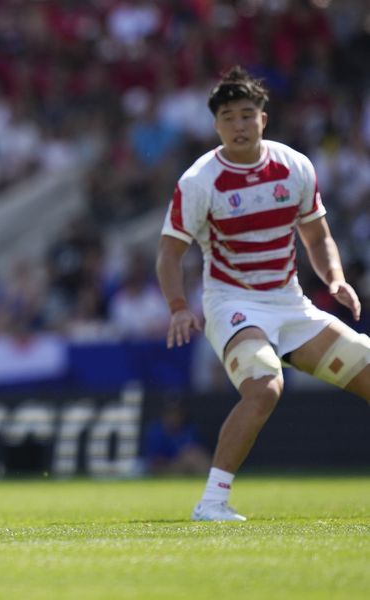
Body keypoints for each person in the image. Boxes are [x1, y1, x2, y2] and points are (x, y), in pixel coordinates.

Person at [156, 66, 370, 521]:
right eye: (229, 117)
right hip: (232, 303)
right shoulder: (200, 181)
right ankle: (212, 502)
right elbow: (169, 254)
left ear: (263, 120)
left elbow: (317, 237)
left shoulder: (294, 166)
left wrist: (334, 278)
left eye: (247, 115)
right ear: (216, 126)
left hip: (289, 303)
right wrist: (178, 306)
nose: (239, 125)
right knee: (265, 386)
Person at [142, 400, 211, 476]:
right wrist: (179, 461)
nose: (174, 417)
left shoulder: (189, 430)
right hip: (164, 468)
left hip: (187, 467)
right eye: (170, 413)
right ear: (164, 415)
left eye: (178, 413)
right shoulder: (156, 431)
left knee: (195, 456)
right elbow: (154, 461)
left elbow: (197, 451)